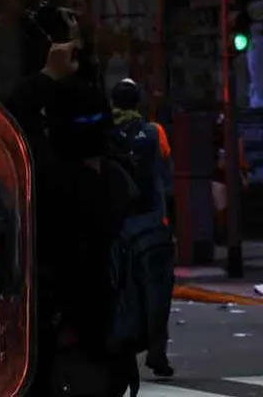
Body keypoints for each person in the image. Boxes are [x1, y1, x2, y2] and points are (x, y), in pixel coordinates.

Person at [7, 14, 139, 397]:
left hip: (64, 343)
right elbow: (93, 110)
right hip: (106, 345)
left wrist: (49, 74)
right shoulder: (120, 179)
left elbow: (17, 115)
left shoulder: (55, 181)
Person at [110, 78, 175, 378]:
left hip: (118, 226)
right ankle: (157, 350)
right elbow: (165, 169)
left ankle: (120, 348)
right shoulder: (154, 132)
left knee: (121, 288)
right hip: (151, 224)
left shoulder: (106, 134)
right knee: (157, 288)